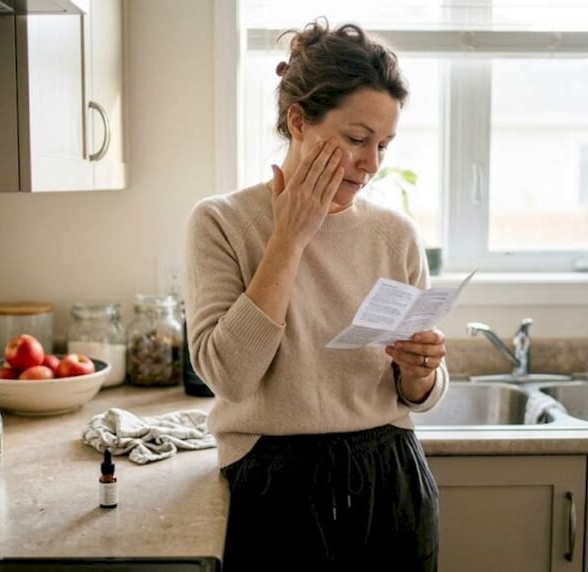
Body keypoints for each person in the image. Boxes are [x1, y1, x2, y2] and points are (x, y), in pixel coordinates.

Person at [184, 18, 448, 571]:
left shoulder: (395, 235)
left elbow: (412, 392)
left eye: (383, 144)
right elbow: (227, 376)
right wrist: (290, 237)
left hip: (392, 475)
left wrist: (421, 373)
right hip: (273, 485)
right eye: (356, 139)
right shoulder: (222, 222)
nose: (371, 164)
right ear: (298, 121)